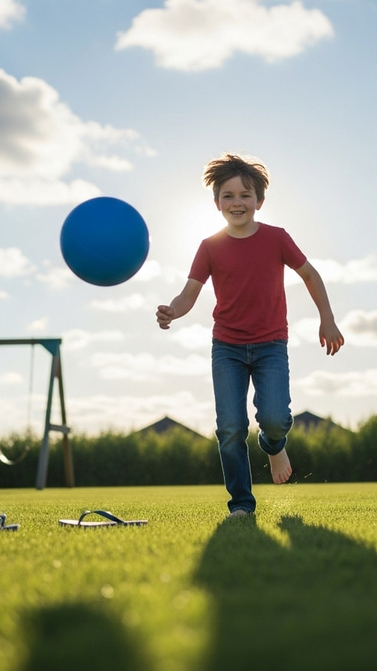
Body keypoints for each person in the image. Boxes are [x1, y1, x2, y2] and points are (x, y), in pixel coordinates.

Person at [156, 153, 344, 517]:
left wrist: (327, 319)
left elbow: (310, 275)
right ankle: (241, 503)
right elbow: (189, 293)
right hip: (226, 347)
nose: (237, 202)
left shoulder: (276, 238)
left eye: (245, 194)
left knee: (274, 419)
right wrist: (172, 312)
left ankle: (273, 445)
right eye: (228, 196)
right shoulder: (210, 247)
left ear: (259, 200)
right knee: (229, 427)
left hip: (271, 344)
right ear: (216, 203)